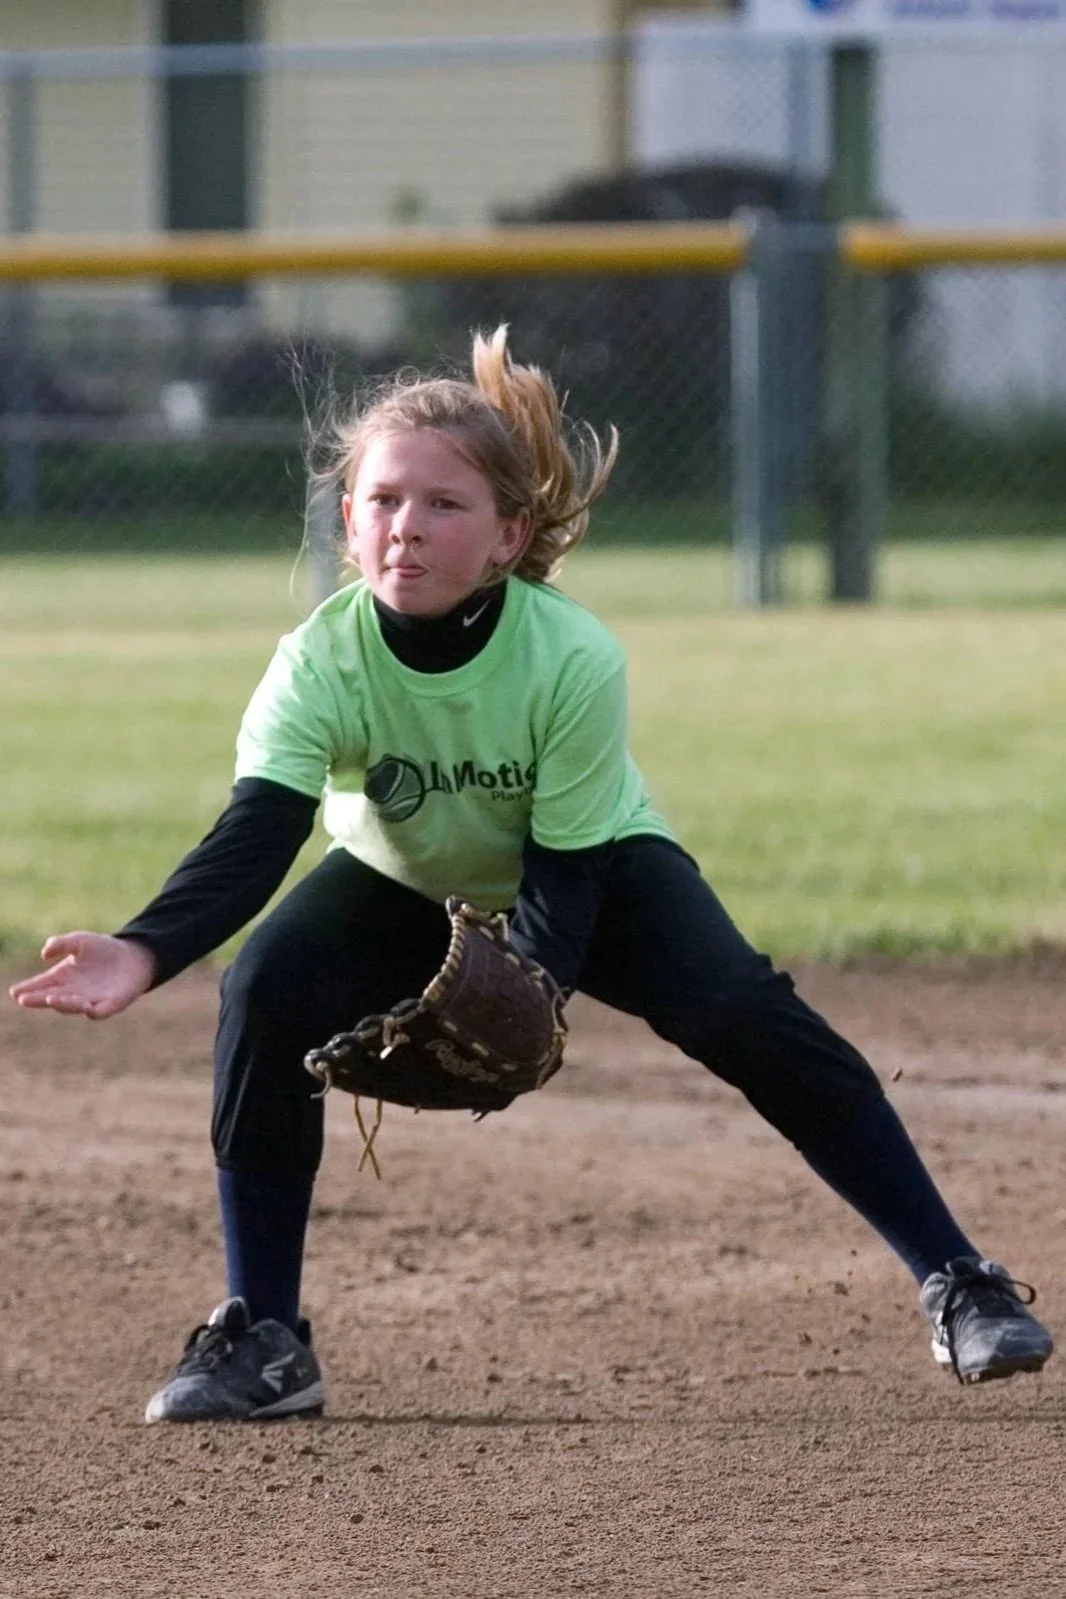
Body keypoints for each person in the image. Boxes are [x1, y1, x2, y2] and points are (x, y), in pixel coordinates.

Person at [9, 326, 1052, 1424]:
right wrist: (146, 947)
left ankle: (958, 1280)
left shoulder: (569, 656)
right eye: (382, 500)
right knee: (266, 984)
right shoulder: (319, 660)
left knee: (743, 1010)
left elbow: (565, 861)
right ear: (349, 519)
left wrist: (529, 996)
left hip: (595, 866)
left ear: (509, 536)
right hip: (402, 877)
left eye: (442, 504)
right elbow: (259, 831)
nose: (406, 526)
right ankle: (263, 1337)